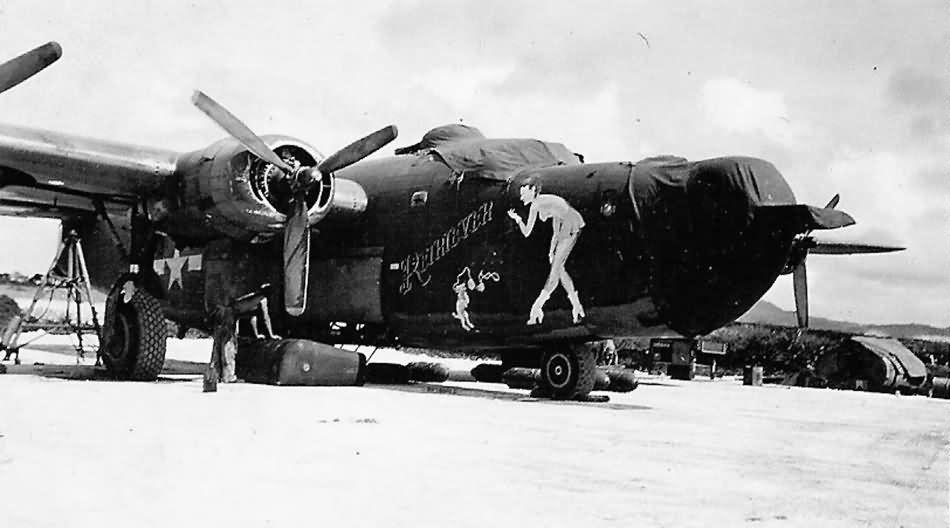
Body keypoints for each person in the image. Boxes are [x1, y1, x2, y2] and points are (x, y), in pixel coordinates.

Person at [507, 176, 586, 324]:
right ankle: (576, 306)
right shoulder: (542, 202)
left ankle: (537, 307)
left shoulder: (536, 205)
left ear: (532, 190)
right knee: (559, 268)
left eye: (523, 192)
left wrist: (517, 219)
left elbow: (527, 231)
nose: (521, 196)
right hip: (567, 224)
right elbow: (555, 225)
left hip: (570, 223)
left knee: (555, 270)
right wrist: (552, 248)